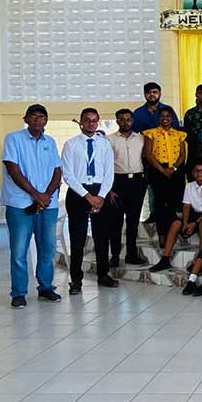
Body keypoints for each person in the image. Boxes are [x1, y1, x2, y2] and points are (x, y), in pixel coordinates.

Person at [2, 104, 63, 308]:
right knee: (19, 251)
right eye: (34, 116)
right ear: (26, 119)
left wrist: (45, 196)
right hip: (20, 205)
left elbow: (57, 171)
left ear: (47, 120)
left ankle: (46, 288)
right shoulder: (14, 139)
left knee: (47, 249)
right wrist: (36, 195)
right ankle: (18, 293)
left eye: (43, 117)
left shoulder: (50, 141)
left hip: (47, 205)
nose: (39, 120)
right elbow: (13, 170)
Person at [61, 108, 117, 294]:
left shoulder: (104, 144)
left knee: (102, 237)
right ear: (81, 122)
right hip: (79, 193)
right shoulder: (71, 145)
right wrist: (88, 196)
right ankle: (76, 280)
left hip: (100, 191)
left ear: (98, 122)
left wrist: (100, 196)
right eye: (87, 120)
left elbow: (109, 173)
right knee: (77, 239)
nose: (91, 123)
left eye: (94, 121)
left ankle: (103, 274)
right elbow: (68, 174)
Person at [148, 159, 202, 272]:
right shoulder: (189, 186)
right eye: (196, 171)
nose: (199, 173)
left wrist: (195, 223)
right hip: (194, 214)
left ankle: (201, 260)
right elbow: (186, 206)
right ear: (192, 173)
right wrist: (186, 222)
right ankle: (165, 259)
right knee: (176, 223)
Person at [105, 108, 148, 267]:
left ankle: (131, 254)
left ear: (133, 120)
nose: (126, 122)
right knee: (115, 222)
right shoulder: (109, 140)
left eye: (129, 119)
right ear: (117, 121)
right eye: (122, 119)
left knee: (133, 221)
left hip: (137, 182)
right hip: (118, 182)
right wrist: (109, 189)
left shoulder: (141, 138)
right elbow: (105, 165)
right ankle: (115, 256)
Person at [142, 106, 187, 245]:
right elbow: (148, 154)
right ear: (158, 118)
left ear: (172, 118)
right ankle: (162, 233)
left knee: (173, 202)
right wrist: (162, 170)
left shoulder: (179, 134)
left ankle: (172, 232)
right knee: (160, 203)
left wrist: (173, 168)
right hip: (158, 170)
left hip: (175, 170)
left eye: (168, 116)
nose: (165, 118)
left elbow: (182, 154)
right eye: (162, 116)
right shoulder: (151, 133)